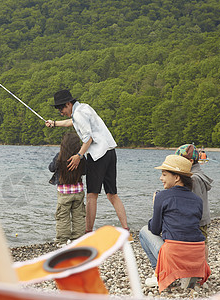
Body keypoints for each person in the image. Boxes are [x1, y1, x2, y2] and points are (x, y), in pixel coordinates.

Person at [45, 89, 132, 240]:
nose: (60, 112)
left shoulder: (78, 113)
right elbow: (73, 122)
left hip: (98, 155)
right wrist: (55, 124)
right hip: (110, 151)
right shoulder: (84, 107)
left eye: (61, 109)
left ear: (68, 103)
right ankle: (126, 231)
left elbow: (88, 138)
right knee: (112, 194)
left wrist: (79, 155)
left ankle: (88, 233)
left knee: (92, 195)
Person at [139, 155, 209, 289]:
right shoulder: (197, 200)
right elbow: (192, 225)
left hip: (175, 252)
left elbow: (154, 229)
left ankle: (160, 274)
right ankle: (189, 273)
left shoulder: (162, 196)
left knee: (143, 231)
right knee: (180, 237)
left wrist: (156, 205)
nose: (161, 178)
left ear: (177, 177)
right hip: (197, 252)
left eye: (164, 174)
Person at [48, 132, 86, 244]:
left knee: (63, 216)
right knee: (78, 216)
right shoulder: (81, 157)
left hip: (64, 193)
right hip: (78, 191)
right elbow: (85, 171)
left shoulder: (60, 156)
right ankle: (78, 239)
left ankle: (62, 240)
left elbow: (51, 168)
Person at [175, 144, 213, 253]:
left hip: (198, 221)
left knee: (201, 245)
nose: (176, 163)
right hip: (202, 218)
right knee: (203, 243)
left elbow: (194, 203)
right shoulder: (197, 174)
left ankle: (203, 267)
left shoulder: (194, 178)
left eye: (180, 160)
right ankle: (203, 267)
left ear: (190, 161)